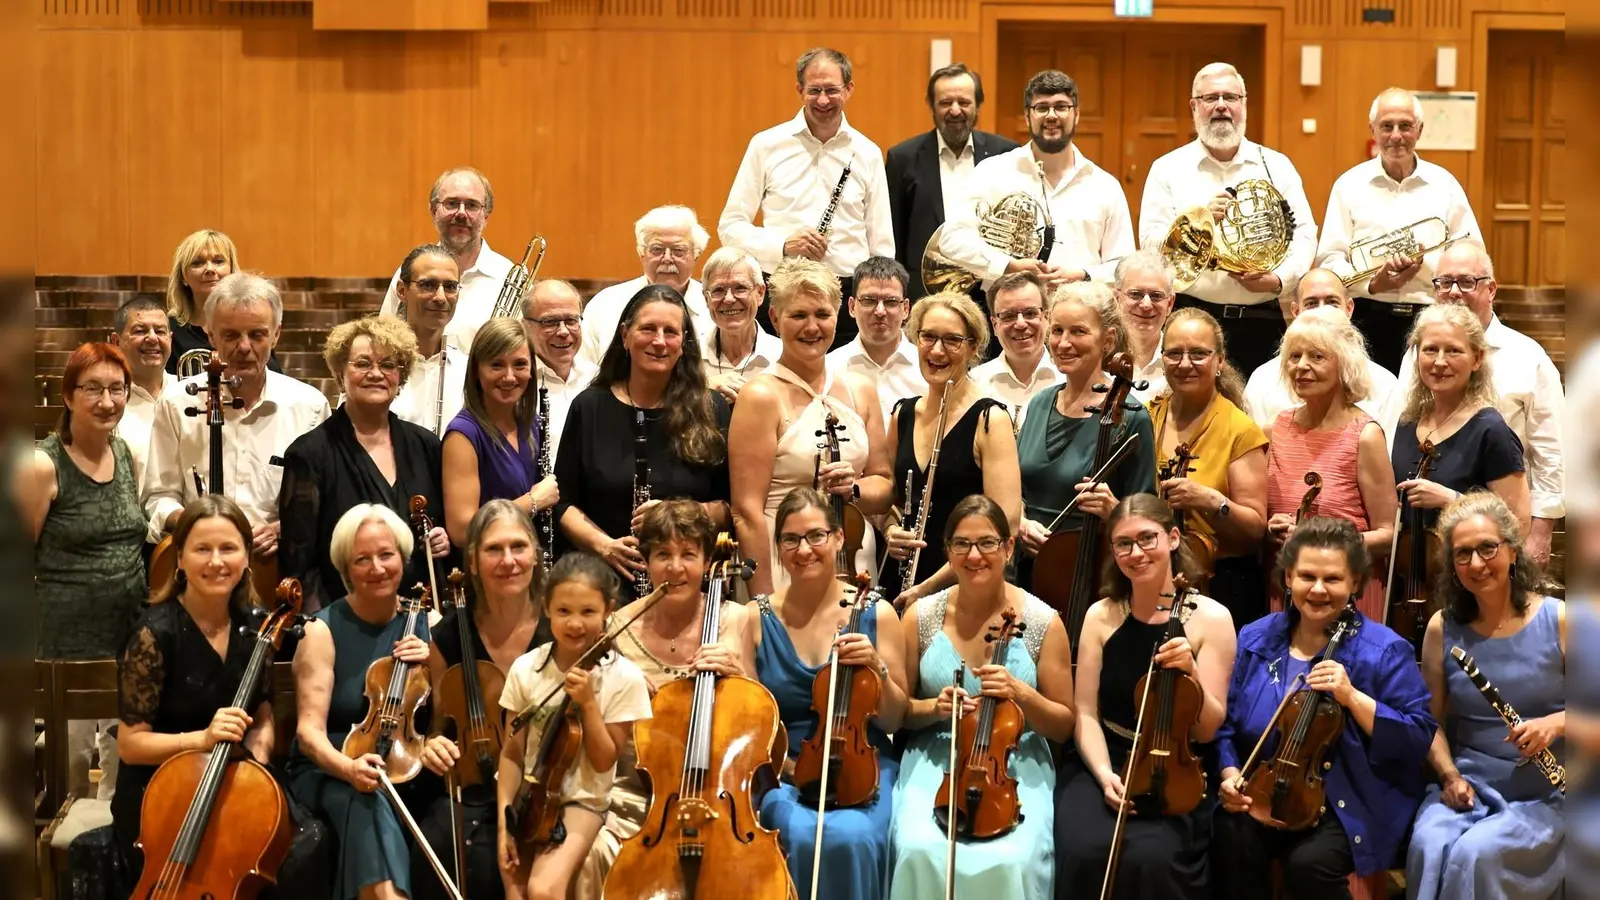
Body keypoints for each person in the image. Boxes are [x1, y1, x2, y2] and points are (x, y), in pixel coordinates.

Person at [1213, 517, 1435, 900]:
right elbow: (1226, 727)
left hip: (1348, 798)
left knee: (1309, 864)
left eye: (1332, 579)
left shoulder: (1385, 649)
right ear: (1288, 579)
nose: (1317, 589)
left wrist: (1352, 697)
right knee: (1230, 838)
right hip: (1267, 789)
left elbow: (1417, 737)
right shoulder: (1255, 637)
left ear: (1355, 584)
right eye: (1306, 576)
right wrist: (1232, 774)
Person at [110, 496, 325, 887]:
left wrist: (256, 762)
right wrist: (202, 739)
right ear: (179, 559)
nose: (216, 561)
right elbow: (130, 744)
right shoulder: (153, 634)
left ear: (246, 557)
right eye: (202, 549)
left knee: (307, 848)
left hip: (232, 779)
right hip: (160, 800)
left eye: (228, 548)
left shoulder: (258, 628)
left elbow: (260, 714)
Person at [889, 495, 1074, 900]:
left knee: (1012, 858)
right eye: (962, 544)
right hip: (938, 758)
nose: (975, 556)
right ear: (948, 553)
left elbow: (1063, 726)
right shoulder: (920, 616)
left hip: (1014, 763)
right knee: (919, 848)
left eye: (987, 543)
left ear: (1008, 549)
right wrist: (933, 709)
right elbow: (899, 712)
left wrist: (1021, 693)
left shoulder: (1044, 622)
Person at [1054, 494, 1236, 900]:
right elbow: (1085, 714)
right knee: (1084, 851)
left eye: (1147, 539)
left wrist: (1191, 673)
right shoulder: (1100, 615)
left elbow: (1207, 731)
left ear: (1172, 538)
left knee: (1152, 859)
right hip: (1108, 756)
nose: (1135, 553)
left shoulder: (1213, 619)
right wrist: (1104, 776)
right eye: (1123, 543)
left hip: (1176, 767)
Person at [572, 499, 758, 898]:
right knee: (589, 853)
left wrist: (738, 675)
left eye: (688, 554)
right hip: (633, 791)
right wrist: (620, 685)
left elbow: (758, 717)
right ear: (646, 560)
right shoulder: (617, 627)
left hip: (716, 794)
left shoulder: (734, 620)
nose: (675, 568)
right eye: (662, 555)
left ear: (708, 562)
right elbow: (595, 725)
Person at [287, 503, 460, 900]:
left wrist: (432, 665)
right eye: (362, 559)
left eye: (386, 555)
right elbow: (308, 734)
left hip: (405, 765)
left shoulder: (428, 624)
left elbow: (440, 723)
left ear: (403, 556)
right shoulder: (321, 631)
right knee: (368, 801)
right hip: (329, 767)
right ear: (345, 569)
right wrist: (348, 768)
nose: (377, 568)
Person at [750, 488, 909, 899]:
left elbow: (894, 719)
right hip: (783, 769)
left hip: (865, 766)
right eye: (790, 539)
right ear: (778, 546)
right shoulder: (754, 617)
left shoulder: (878, 612)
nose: (804, 550)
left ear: (839, 539)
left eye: (816, 536)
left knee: (852, 836)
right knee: (802, 833)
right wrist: (785, 767)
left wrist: (878, 667)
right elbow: (749, 722)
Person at [1407, 491, 1565, 899]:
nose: (1476, 564)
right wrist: (1449, 775)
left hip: (1549, 791)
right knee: (1428, 841)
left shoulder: (1560, 619)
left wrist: (1555, 723)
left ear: (1513, 552)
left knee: (1478, 853)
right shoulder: (1443, 627)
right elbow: (1430, 724)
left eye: (1487, 548)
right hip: (1470, 783)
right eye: (1462, 554)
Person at [1382, 242, 1564, 567]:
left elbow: (1551, 453)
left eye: (1466, 282)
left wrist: (1541, 530)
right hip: (1424, 543)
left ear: (1491, 289)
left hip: (1496, 525)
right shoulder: (1416, 354)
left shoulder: (1529, 357)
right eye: (1444, 282)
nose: (1454, 292)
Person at [1139, 63, 1318, 378]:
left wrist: (1279, 280)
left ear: (1243, 105)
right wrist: (1198, 222)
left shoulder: (1277, 166)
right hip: (1192, 314)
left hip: (1262, 320)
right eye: (1211, 98)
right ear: (1195, 106)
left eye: (1230, 97)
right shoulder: (1167, 168)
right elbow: (1151, 244)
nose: (1221, 105)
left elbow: (1304, 235)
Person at [728, 257, 893, 596]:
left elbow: (885, 486)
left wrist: (854, 490)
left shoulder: (861, 389)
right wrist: (764, 601)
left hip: (852, 557)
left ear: (838, 315)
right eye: (798, 315)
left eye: (822, 314)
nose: (812, 327)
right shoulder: (760, 395)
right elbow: (746, 511)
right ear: (775, 318)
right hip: (782, 560)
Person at [415, 500, 553, 900]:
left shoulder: (563, 619)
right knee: (440, 840)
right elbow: (444, 720)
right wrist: (433, 743)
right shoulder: (447, 637)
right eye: (493, 549)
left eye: (518, 547)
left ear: (535, 555)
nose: (508, 560)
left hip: (551, 781)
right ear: (472, 562)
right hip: (477, 782)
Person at [496, 552, 652, 900]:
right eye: (564, 611)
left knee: (543, 890)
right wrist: (504, 826)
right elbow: (512, 754)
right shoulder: (526, 669)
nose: (575, 623)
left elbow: (603, 761)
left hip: (584, 802)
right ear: (546, 608)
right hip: (528, 801)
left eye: (588, 612)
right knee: (516, 893)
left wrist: (589, 705)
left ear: (608, 610)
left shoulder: (624, 678)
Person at [28, 343, 146, 800]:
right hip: (65, 642)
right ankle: (62, 865)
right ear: (68, 395)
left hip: (127, 635)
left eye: (117, 389)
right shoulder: (42, 464)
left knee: (123, 758)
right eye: (92, 388)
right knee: (71, 767)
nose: (107, 400)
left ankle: (111, 854)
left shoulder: (127, 453)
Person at [143, 272, 331, 558]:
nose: (244, 347)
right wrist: (193, 523)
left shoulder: (310, 408)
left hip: (278, 568)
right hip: (198, 563)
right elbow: (158, 497)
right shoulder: (176, 403)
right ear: (211, 335)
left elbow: (325, 500)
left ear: (276, 334)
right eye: (231, 335)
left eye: (257, 334)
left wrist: (283, 528)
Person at [554, 285, 732, 584]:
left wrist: (676, 513)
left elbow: (730, 507)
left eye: (671, 332)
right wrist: (605, 546)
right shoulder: (589, 407)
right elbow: (563, 503)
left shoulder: (711, 408)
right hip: (603, 581)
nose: (660, 342)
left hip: (687, 580)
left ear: (684, 341)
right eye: (648, 329)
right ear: (625, 336)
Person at [719, 47, 894, 345]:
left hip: (847, 300)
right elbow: (730, 226)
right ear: (800, 90)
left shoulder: (867, 152)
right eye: (814, 90)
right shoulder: (766, 145)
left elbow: (881, 245)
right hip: (782, 291)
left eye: (832, 90)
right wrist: (783, 246)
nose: (823, 100)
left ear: (849, 89)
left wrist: (876, 302)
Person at [279, 315, 450, 612]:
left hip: (418, 617)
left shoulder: (426, 445)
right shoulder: (309, 454)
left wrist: (442, 540)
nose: (376, 374)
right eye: (362, 364)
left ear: (402, 375)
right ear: (340, 372)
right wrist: (325, 631)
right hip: (344, 620)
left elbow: (444, 528)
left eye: (387, 365)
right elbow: (301, 566)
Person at [1316, 88, 1482, 371]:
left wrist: (1436, 272)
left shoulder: (1445, 185)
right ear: (1373, 129)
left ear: (1419, 130)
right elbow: (1329, 260)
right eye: (1386, 126)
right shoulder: (1349, 185)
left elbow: (1472, 253)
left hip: (1432, 316)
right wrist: (1373, 283)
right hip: (1366, 316)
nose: (1396, 135)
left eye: (1405, 126)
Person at [880, 293, 1021, 608]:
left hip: (962, 589)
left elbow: (1004, 525)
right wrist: (890, 531)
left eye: (952, 340)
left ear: (973, 348)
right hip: (900, 584)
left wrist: (927, 589)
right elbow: (892, 504)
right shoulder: (901, 415)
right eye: (928, 337)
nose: (937, 350)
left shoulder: (990, 419)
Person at [1015, 282, 1157, 591]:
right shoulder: (1039, 403)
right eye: (1057, 331)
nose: (1064, 343)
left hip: (1091, 578)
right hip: (1023, 572)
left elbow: (1150, 522)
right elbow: (1015, 490)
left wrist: (1114, 510)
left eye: (1078, 332)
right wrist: (1021, 523)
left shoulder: (1132, 417)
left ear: (1108, 341)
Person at [938, 69, 1134, 292]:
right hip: (1009, 316)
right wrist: (1007, 265)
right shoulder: (992, 172)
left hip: (1081, 315)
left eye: (1061, 107)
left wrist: (1083, 275)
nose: (1051, 115)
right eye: (1041, 107)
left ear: (1076, 114)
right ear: (1027, 115)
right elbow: (952, 239)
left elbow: (1124, 265)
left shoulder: (1105, 186)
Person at [1263, 307, 1397, 623]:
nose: (1301, 367)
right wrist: (1271, 529)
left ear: (1344, 364)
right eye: (1294, 357)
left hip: (1349, 594)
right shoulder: (1276, 428)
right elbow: (1267, 516)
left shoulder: (1365, 435)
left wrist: (1326, 543)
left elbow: (1389, 534)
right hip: (1287, 589)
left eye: (1317, 357)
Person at [1146, 307, 1269, 625]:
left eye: (1199, 353)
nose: (1185, 364)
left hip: (1220, 584)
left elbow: (1255, 529)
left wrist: (1212, 501)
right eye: (1174, 353)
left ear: (1220, 361)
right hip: (1148, 573)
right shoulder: (1146, 417)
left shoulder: (1239, 429)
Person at [1388, 304, 1530, 541]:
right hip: (1410, 572)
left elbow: (1519, 523)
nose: (1440, 362)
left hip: (1471, 570)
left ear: (1477, 359)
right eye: (1430, 350)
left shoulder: (1490, 428)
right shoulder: (1407, 422)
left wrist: (1451, 499)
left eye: (1453, 351)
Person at [885, 63, 1020, 300]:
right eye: (946, 102)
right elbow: (894, 236)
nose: (955, 111)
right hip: (924, 295)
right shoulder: (902, 158)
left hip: (991, 294)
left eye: (964, 102)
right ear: (932, 106)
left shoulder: (1006, 154)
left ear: (977, 106)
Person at [442, 317, 559, 548]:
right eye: (496, 365)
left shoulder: (533, 424)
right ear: (476, 370)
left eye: (520, 365)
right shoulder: (463, 436)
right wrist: (533, 502)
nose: (509, 376)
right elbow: (462, 531)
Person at [1242, 268, 1399, 430]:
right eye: (1311, 304)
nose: (1322, 312)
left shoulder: (1385, 383)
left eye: (1332, 303)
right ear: (1295, 311)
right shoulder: (1262, 379)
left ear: (1349, 308)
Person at [378, 167, 515, 352]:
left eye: (472, 205)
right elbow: (385, 339)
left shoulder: (510, 278)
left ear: (486, 216)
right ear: (434, 211)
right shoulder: (411, 271)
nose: (461, 213)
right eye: (451, 203)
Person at [579, 205, 715, 367]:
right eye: (657, 249)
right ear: (641, 253)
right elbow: (584, 370)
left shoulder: (714, 306)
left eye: (678, 250)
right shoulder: (606, 304)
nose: (667, 258)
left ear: (696, 254)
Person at [162, 229, 282, 375]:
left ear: (231, 269)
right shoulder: (169, 330)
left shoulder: (251, 323)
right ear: (183, 277)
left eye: (218, 261)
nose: (210, 269)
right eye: (197, 263)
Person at [826, 256, 927, 424]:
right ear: (852, 307)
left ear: (906, 309)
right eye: (869, 300)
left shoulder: (927, 367)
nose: (880, 311)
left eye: (891, 302)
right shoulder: (830, 368)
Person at [389, 244, 469, 437]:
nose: (441, 297)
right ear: (402, 291)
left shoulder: (470, 370)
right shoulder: (375, 367)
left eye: (450, 287)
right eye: (428, 285)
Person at [969, 272, 1062, 430]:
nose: (1020, 324)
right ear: (994, 325)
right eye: (1008, 316)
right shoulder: (973, 383)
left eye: (1030, 313)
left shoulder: (1068, 380)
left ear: (1047, 318)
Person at [522, 279, 596, 463]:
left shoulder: (599, 379)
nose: (563, 331)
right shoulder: (513, 383)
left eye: (571, 320)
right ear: (525, 325)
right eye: (550, 321)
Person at [699, 246, 783, 403]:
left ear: (760, 293)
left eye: (740, 288)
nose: (729, 299)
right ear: (706, 299)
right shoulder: (688, 355)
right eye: (718, 290)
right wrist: (702, 388)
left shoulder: (783, 356)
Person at [108, 296, 172, 484]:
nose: (152, 338)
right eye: (140, 330)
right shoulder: (105, 403)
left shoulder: (191, 394)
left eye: (160, 331)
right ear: (115, 340)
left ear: (171, 339)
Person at [1113, 249, 1178, 402]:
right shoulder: (1097, 357)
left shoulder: (1183, 364)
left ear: (1169, 304)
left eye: (1156, 296)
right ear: (1116, 299)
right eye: (1135, 294)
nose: (1146, 305)